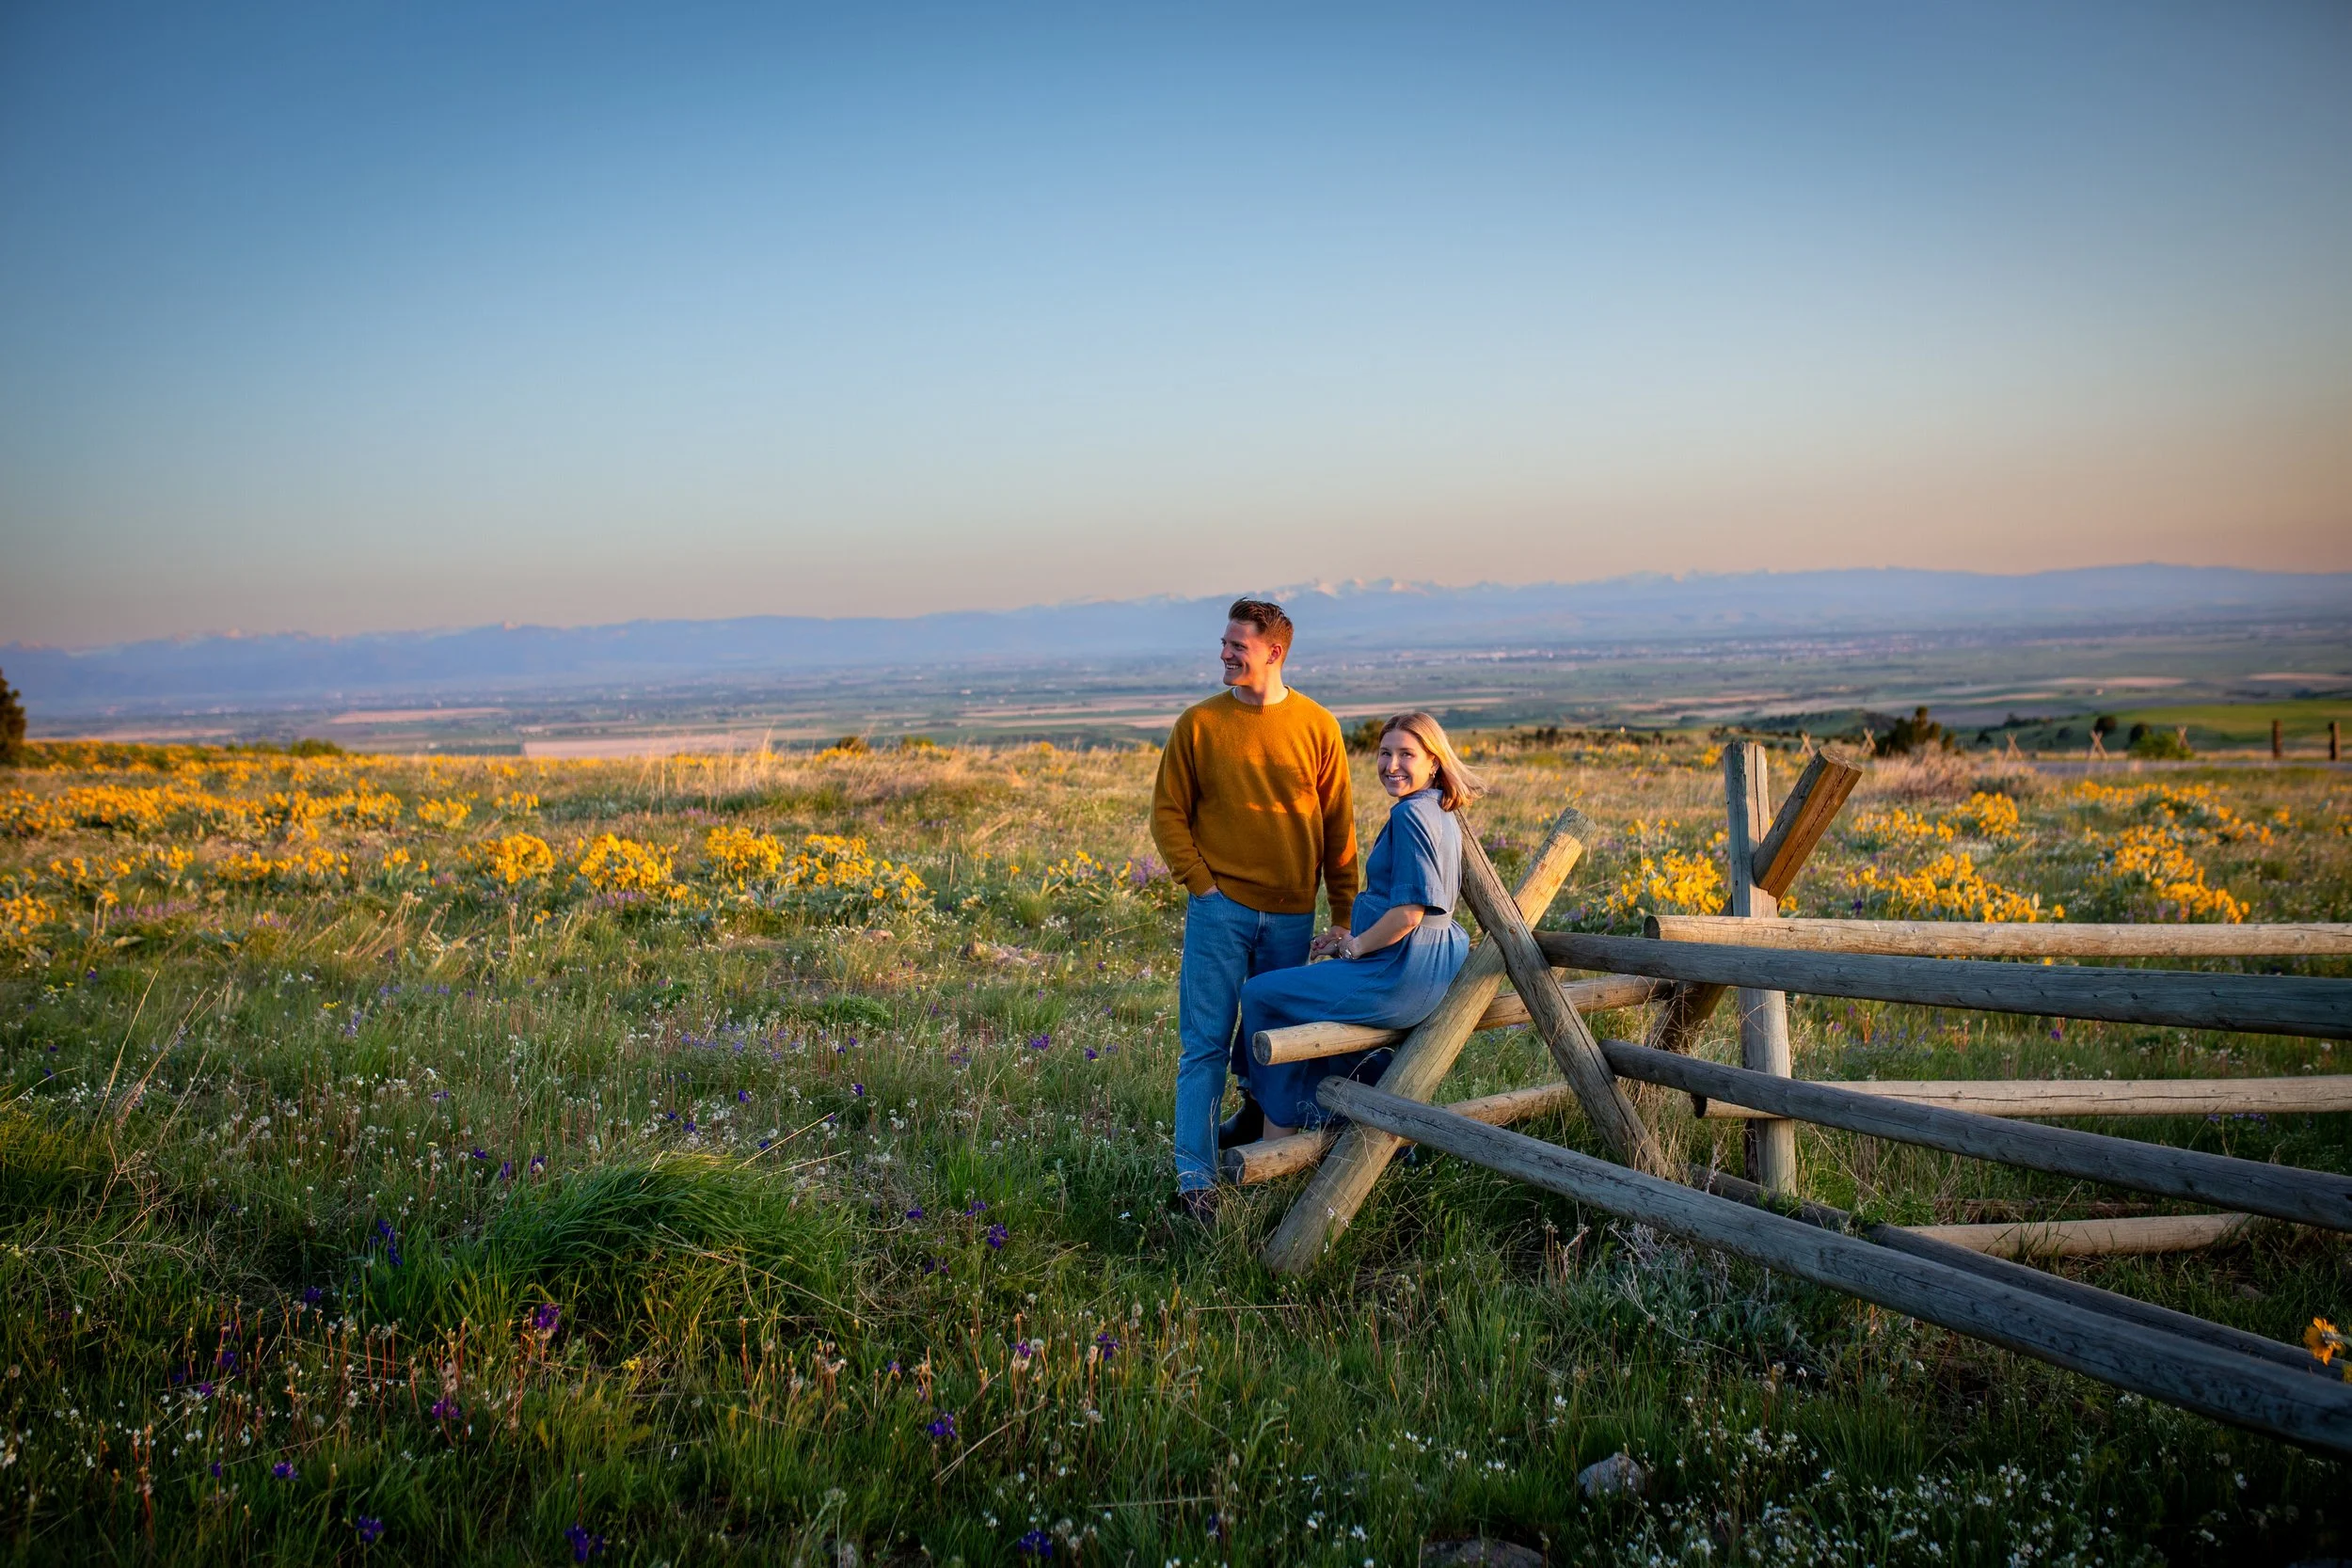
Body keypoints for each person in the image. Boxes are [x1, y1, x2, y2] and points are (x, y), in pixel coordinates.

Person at [1151, 598, 1359, 1219]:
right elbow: (1167, 814)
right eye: (1224, 642)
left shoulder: (1318, 726)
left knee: (1276, 1043)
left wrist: (1343, 914)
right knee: (1204, 1046)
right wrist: (1202, 885)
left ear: (1273, 652)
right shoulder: (1199, 724)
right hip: (1220, 911)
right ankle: (1195, 1182)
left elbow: (1338, 829)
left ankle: (1263, 1157)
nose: (1223, 653)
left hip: (1292, 916)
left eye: (1236, 646)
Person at [1239, 712, 1481, 1137]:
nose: (1391, 765)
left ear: (1434, 761)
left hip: (1400, 975)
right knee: (1306, 1003)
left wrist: (1355, 948)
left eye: (1407, 754)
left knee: (1262, 994)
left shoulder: (1410, 815)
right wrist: (1349, 940)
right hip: (1419, 964)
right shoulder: (1439, 809)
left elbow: (1410, 914)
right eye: (1385, 753)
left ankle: (1273, 1125)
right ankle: (1360, 1118)